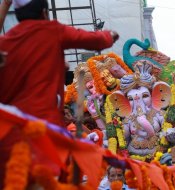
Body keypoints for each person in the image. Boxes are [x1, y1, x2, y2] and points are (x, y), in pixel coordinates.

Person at [0, 0, 119, 187]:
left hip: (8, 140)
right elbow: (92, 39)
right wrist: (109, 36)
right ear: (45, 12)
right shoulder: (50, 30)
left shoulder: (6, 42)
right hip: (44, 139)